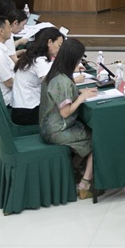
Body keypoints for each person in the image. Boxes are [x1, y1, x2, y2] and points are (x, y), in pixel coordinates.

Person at [40, 38, 99, 199]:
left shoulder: (54, 72)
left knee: (86, 129)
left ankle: (71, 170)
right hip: (57, 130)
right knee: (97, 138)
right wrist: (81, 97)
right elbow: (65, 112)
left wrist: (77, 93)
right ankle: (85, 184)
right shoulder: (62, 81)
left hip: (47, 126)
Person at [11, 27, 63, 126]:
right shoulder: (39, 60)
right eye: (59, 45)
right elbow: (52, 84)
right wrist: (73, 80)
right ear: (49, 42)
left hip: (22, 108)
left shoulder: (33, 54)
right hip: (26, 113)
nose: (60, 49)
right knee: (66, 112)